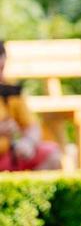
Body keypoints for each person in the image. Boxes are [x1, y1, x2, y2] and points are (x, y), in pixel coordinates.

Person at [0, 40, 62, 171]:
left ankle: (32, 191)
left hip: (9, 156)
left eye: (2, 68)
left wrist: (27, 142)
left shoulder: (10, 90)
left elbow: (32, 127)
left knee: (52, 154)